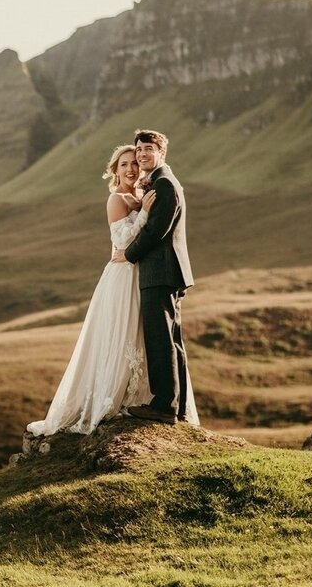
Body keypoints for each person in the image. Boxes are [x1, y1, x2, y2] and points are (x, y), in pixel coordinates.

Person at [27, 144, 198, 437]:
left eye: (134, 163)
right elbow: (121, 238)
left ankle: (151, 399)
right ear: (114, 170)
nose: (131, 169)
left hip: (140, 272)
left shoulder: (142, 196)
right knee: (121, 333)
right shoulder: (117, 199)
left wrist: (142, 208)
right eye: (124, 165)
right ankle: (113, 396)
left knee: (145, 335)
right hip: (122, 274)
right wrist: (143, 214)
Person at [112, 129, 196, 425]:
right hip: (165, 270)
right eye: (139, 150)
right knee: (172, 340)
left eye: (148, 148)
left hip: (160, 270)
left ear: (162, 152)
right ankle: (179, 406)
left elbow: (157, 229)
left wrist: (129, 254)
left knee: (161, 339)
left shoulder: (164, 183)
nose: (142, 154)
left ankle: (163, 406)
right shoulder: (161, 181)